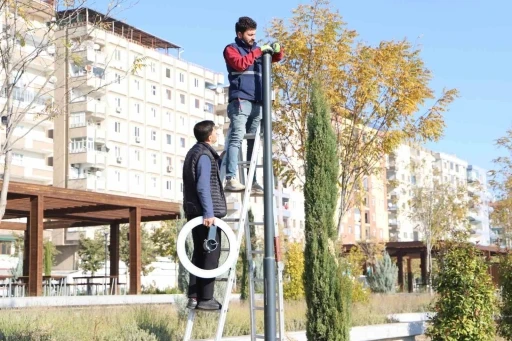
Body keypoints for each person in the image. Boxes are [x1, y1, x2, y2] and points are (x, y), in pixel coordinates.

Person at [223, 16, 284, 193]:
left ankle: (252, 179)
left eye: (254, 34)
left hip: (258, 102)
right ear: (239, 34)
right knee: (237, 136)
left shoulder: (256, 50)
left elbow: (274, 59)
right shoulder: (231, 49)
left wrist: (277, 52)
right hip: (241, 101)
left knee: (254, 143)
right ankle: (231, 178)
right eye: (249, 34)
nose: (253, 38)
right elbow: (240, 64)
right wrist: (258, 52)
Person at [183, 120, 227, 310]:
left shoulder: (194, 152)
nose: (217, 134)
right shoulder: (204, 156)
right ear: (210, 136)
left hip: (195, 212)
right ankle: (207, 299)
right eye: (216, 131)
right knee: (211, 253)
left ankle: (194, 297)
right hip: (204, 214)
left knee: (199, 254)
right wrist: (209, 212)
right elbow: (202, 186)